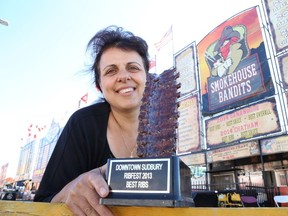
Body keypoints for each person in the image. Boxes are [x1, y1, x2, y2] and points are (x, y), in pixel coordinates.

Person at [34, 25, 150, 216]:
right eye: (111, 71)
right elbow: (43, 201)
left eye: (133, 67)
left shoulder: (166, 125)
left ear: (147, 76)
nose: (123, 76)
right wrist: (70, 191)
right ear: (99, 86)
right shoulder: (83, 124)